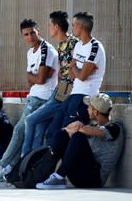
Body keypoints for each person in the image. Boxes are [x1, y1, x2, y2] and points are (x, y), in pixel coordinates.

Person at [0, 19, 59, 182]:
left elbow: (41, 79)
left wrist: (34, 76)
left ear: (39, 31)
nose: (29, 37)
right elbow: (31, 79)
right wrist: (34, 76)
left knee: (19, 131)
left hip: (43, 98)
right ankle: (9, 168)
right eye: (26, 34)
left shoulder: (46, 50)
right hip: (33, 97)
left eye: (32, 33)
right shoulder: (31, 52)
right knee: (24, 134)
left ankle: (3, 166)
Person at [36, 93, 124, 189]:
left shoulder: (115, 128)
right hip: (79, 174)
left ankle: (58, 177)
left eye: (89, 107)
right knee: (61, 134)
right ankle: (46, 174)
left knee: (78, 136)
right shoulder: (93, 127)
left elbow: (89, 131)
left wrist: (77, 126)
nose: (87, 109)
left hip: (93, 179)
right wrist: (71, 128)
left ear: (95, 111)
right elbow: (70, 131)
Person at [21, 11, 78, 156]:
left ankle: (25, 159)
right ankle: (31, 164)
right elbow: (61, 72)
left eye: (50, 25)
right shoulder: (61, 45)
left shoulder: (72, 43)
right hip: (59, 92)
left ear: (57, 27)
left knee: (30, 120)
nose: (49, 28)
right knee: (40, 130)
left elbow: (73, 72)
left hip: (65, 94)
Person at [45, 12, 106, 143]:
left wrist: (77, 69)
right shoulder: (78, 45)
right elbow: (71, 72)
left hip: (85, 96)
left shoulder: (95, 47)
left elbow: (82, 76)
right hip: (73, 94)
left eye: (73, 25)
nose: (71, 28)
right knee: (53, 130)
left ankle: (64, 162)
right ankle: (50, 161)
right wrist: (80, 68)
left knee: (67, 134)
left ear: (80, 26)